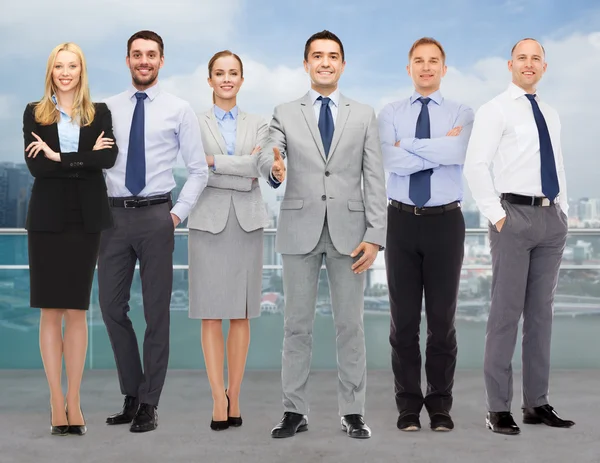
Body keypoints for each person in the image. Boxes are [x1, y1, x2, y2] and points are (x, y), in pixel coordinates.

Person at [257, 30, 387, 440]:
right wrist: (274, 169)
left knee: (351, 325)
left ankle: (353, 412)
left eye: (332, 56)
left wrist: (376, 234)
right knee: (297, 326)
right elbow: (269, 151)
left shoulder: (364, 114)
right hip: (300, 229)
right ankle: (294, 411)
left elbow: (375, 178)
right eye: (317, 56)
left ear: (342, 64)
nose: (325, 62)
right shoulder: (284, 111)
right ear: (306, 63)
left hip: (351, 234)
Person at [464, 38, 574, 435]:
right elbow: (476, 165)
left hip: (550, 218)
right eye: (522, 58)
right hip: (513, 217)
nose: (529, 64)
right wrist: (497, 217)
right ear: (510, 64)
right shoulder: (495, 110)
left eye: (536, 59)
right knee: (505, 315)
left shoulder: (551, 112)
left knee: (541, 316)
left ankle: (536, 403)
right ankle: (498, 408)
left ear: (544, 66)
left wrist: (564, 210)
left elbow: (557, 162)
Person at [100, 30, 208, 433]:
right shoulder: (105, 108)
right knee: (111, 308)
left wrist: (176, 215)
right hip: (112, 219)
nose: (143, 61)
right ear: (127, 60)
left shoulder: (179, 110)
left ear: (161, 61)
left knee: (156, 313)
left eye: (151, 55)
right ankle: (132, 393)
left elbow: (198, 170)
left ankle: (149, 402)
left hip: (157, 218)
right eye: (136, 54)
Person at [377, 37, 474, 433]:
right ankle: (407, 405)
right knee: (402, 323)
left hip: (445, 223)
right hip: (400, 221)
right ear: (409, 68)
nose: (426, 67)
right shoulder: (390, 112)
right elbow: (388, 158)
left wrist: (410, 146)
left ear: (444, 69)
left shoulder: (462, 112)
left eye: (434, 61)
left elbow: (458, 153)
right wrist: (437, 145)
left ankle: (439, 404)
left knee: (442, 321)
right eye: (419, 61)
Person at [23, 42, 118, 436]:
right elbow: (35, 167)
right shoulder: (34, 112)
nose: (65, 72)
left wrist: (60, 156)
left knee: (77, 311)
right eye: (59, 66)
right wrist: (82, 158)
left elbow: (108, 160)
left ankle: (74, 399)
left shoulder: (101, 113)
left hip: (86, 220)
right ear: (51, 71)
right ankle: (54, 400)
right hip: (46, 219)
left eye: (72, 65)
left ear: (82, 71)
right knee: (50, 311)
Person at [187, 50, 268, 431]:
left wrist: (216, 162)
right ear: (209, 80)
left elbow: (260, 170)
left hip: (247, 224)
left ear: (241, 79)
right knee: (210, 312)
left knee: (241, 313)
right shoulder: (193, 121)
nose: (226, 79)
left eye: (233, 73)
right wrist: (241, 167)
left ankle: (235, 394)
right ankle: (217, 396)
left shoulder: (261, 123)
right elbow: (193, 168)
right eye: (219, 73)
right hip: (207, 224)